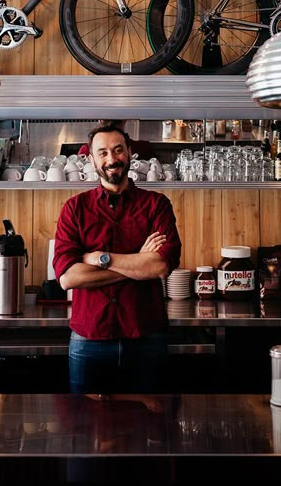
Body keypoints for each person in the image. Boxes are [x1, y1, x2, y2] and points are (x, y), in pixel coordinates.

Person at [53, 122, 181, 394]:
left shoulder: (157, 205)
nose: (112, 159)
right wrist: (137, 261)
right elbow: (68, 278)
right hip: (89, 338)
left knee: (153, 423)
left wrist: (100, 258)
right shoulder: (74, 209)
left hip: (146, 335)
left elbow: (159, 266)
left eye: (118, 150)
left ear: (130, 153)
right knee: (87, 428)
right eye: (103, 153)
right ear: (91, 159)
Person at [77, 119, 154, 160]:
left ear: (100, 120)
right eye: (103, 153)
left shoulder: (86, 150)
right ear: (125, 120)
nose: (111, 160)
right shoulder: (144, 147)